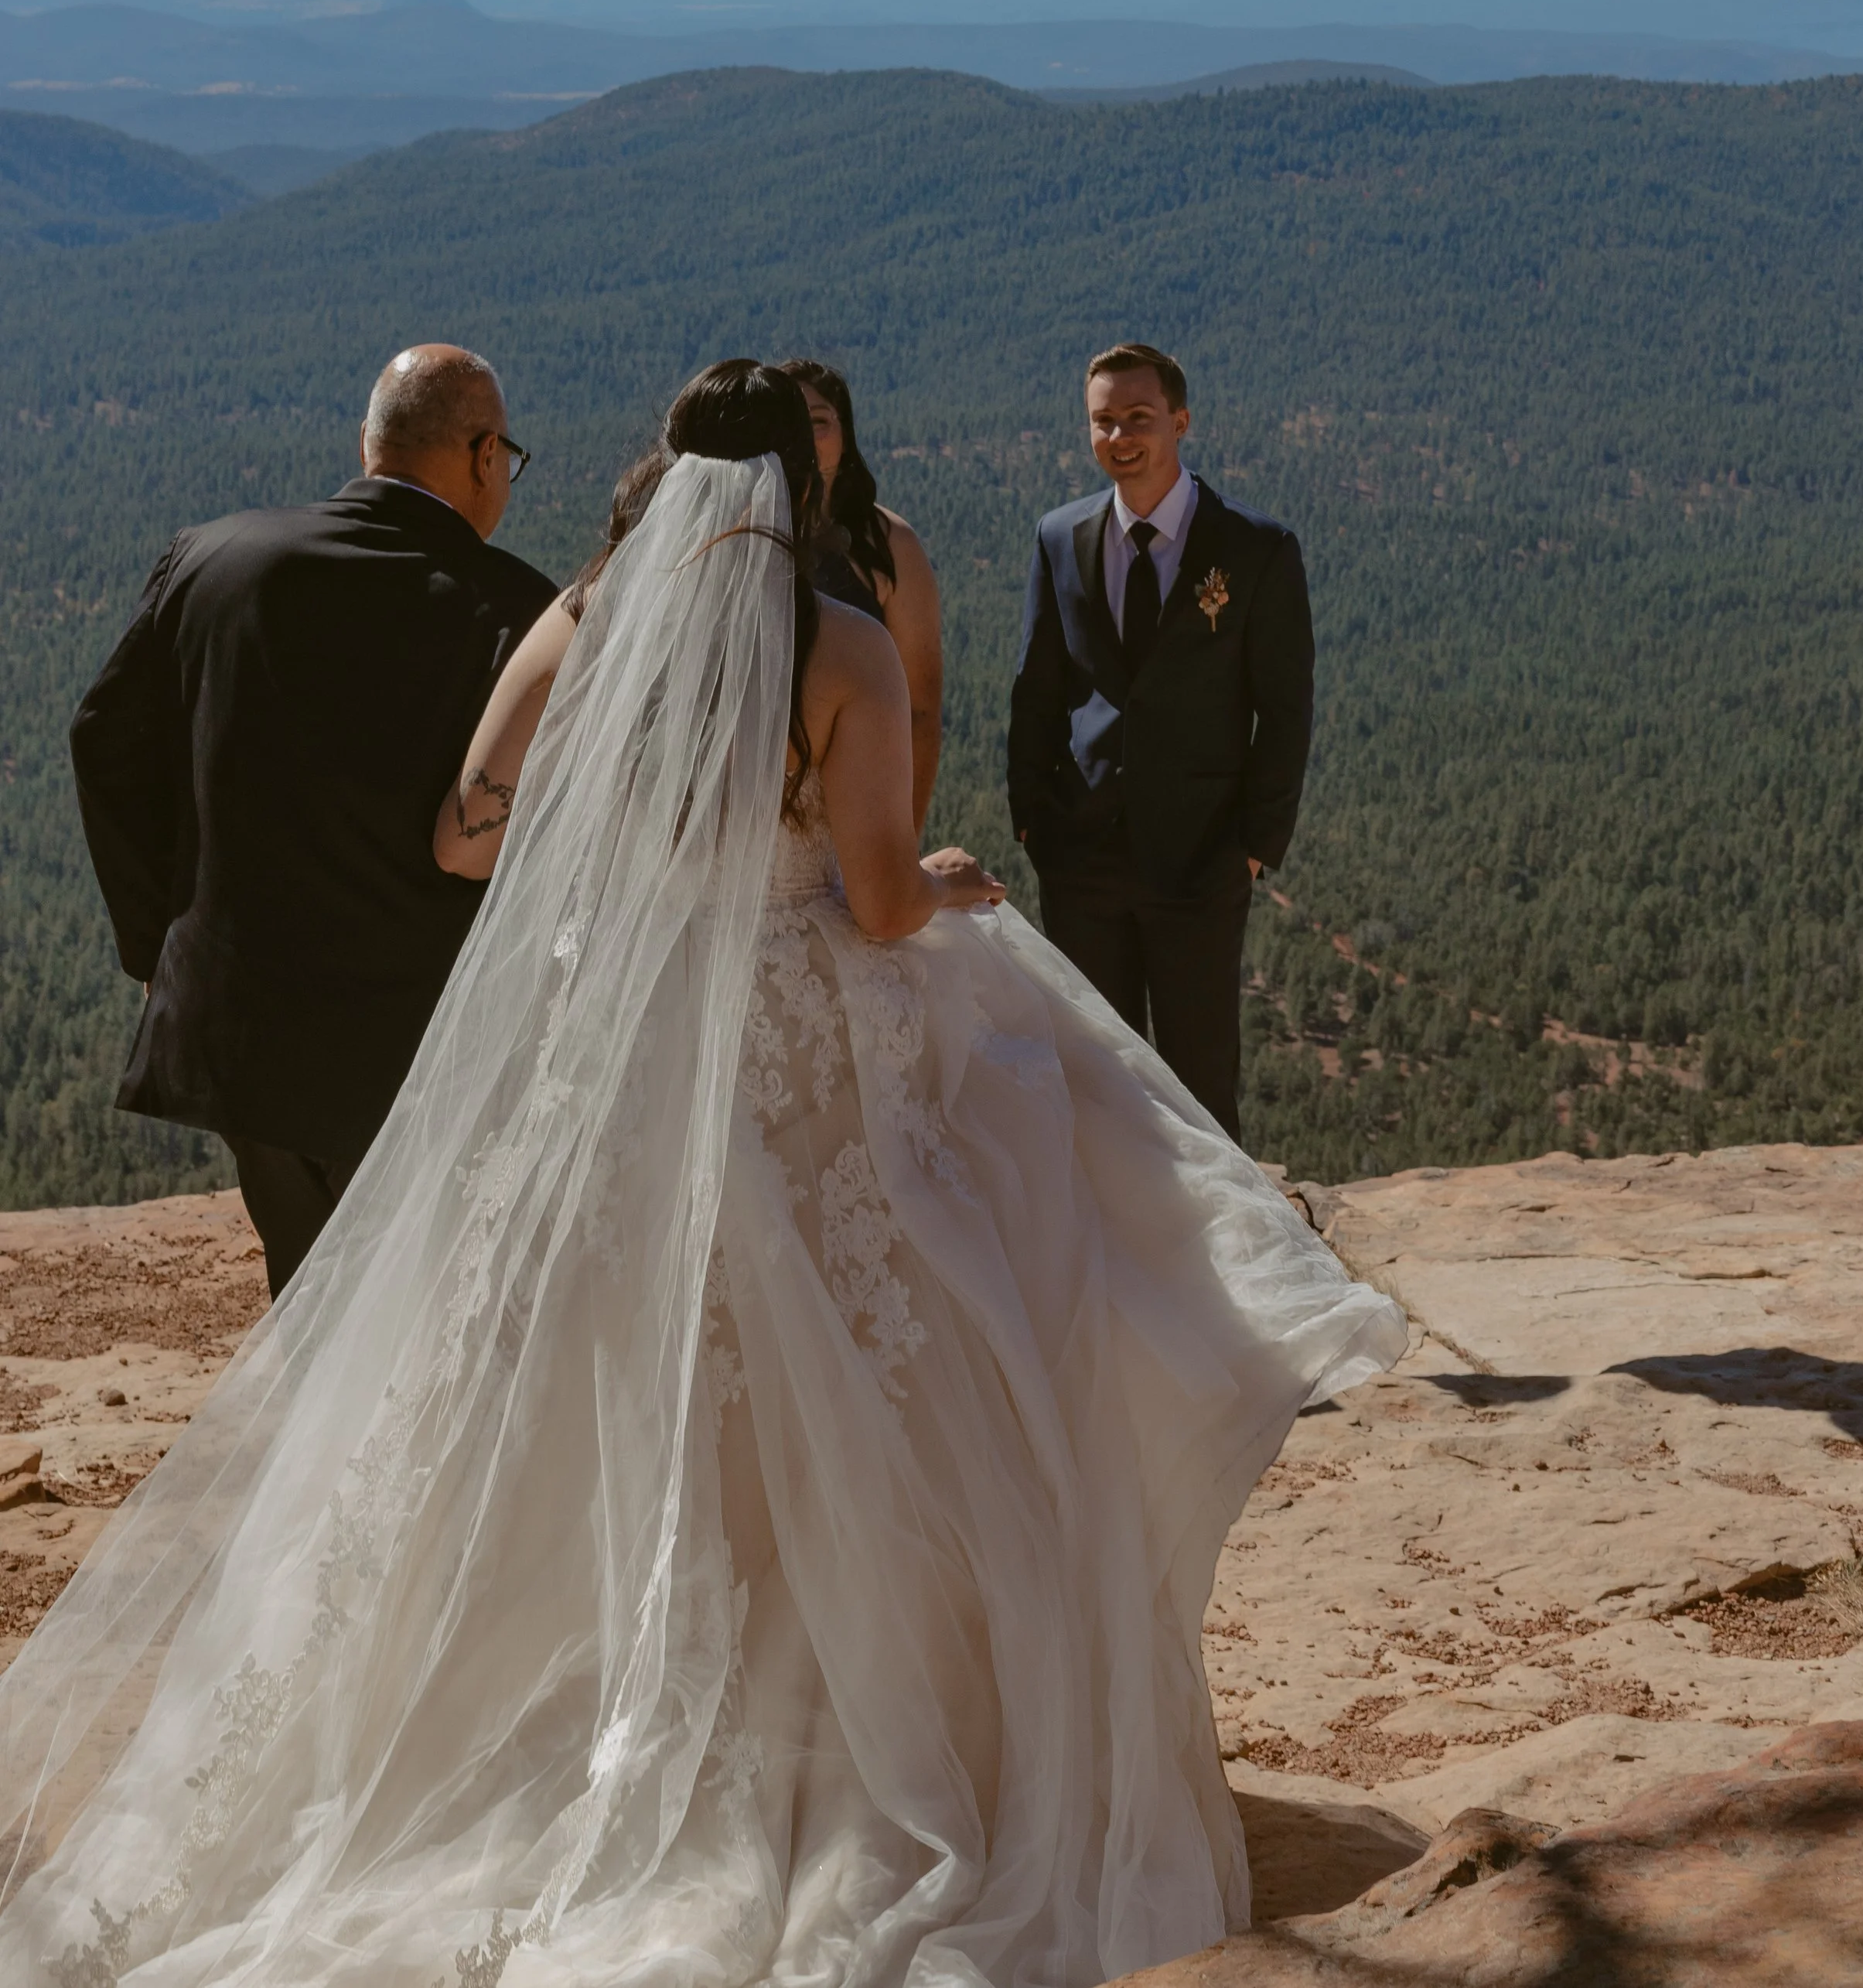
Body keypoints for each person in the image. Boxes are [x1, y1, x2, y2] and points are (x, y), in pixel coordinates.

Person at [0, 360, 1403, 1988]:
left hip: (634, 1047)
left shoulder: (590, 620)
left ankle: (596, 1718)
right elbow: (873, 900)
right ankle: (850, 1743)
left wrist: (608, 852)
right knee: (862, 1379)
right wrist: (945, 879)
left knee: (620, 1385)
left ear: (662, 474)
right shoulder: (839, 645)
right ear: (795, 493)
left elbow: (468, 826)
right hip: (798, 1056)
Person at [67, 343, 554, 1296]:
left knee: (309, 1302)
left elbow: (104, 745)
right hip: (425, 1045)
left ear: (367, 444)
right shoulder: (516, 613)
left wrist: (157, 947)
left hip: (246, 1030)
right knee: (422, 1321)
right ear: (485, 454)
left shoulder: (213, 559)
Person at [1007, 342, 1315, 1142]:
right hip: (1080, 857)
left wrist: (1253, 847)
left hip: (1201, 860)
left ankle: (1217, 1260)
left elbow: (1284, 712)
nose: (1119, 436)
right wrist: (1030, 820)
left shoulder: (1256, 550)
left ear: (1180, 421)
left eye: (1137, 418)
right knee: (1089, 1077)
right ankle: (1104, 1254)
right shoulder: (1059, 536)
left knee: (1199, 1083)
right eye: (1102, 421)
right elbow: (1038, 690)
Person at [776, 357, 944, 829]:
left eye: (819, 421)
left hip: (863, 804)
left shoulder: (891, 546)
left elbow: (922, 710)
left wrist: (902, 838)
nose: (805, 436)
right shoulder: (743, 540)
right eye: (789, 422)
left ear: (845, 434)